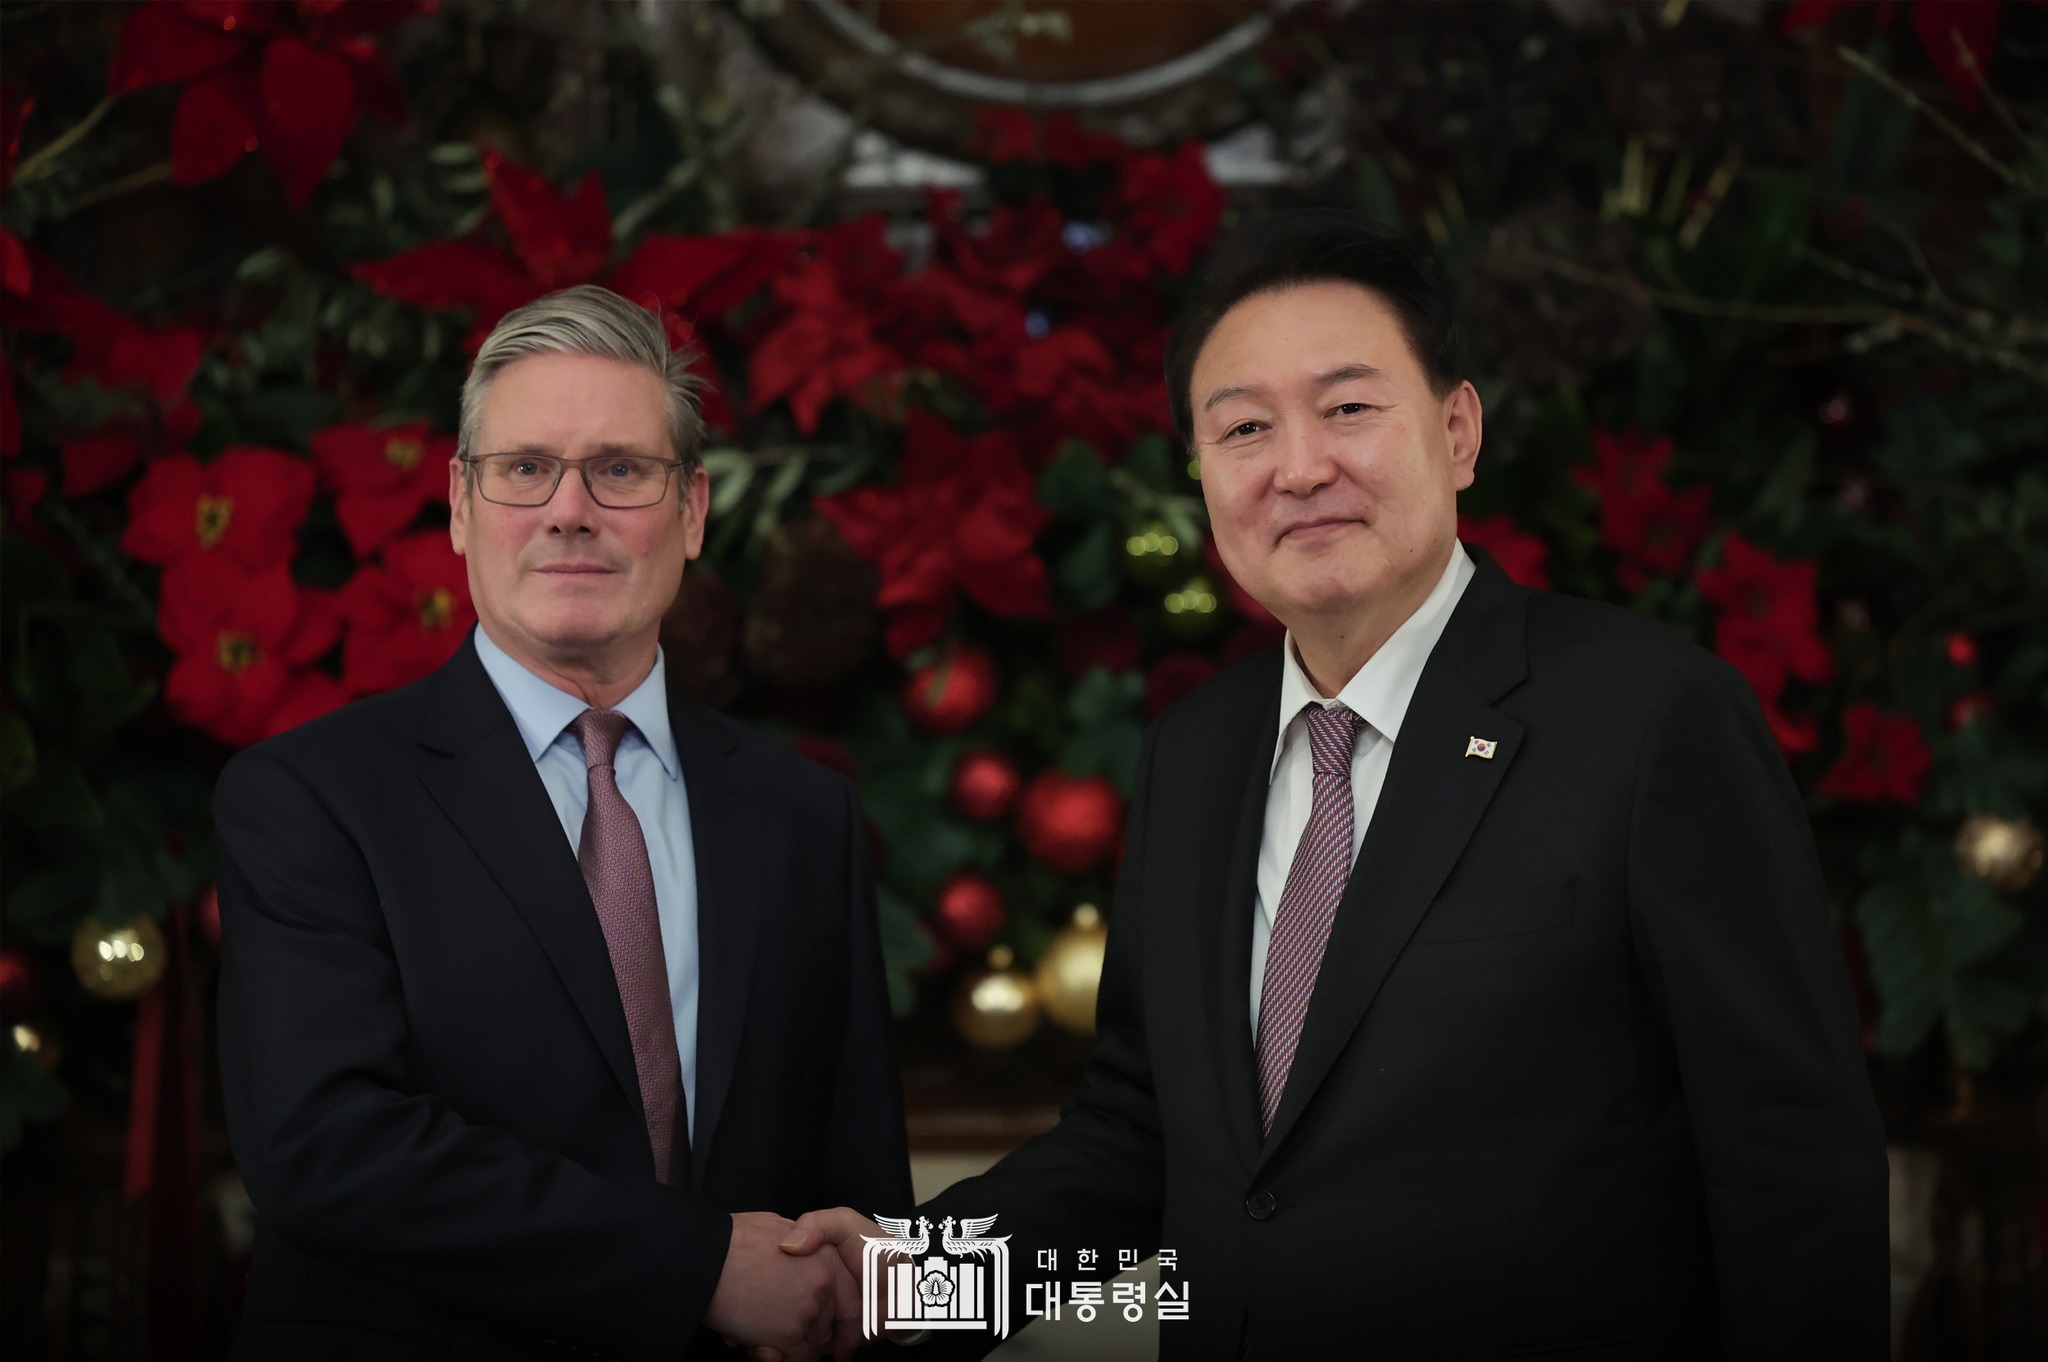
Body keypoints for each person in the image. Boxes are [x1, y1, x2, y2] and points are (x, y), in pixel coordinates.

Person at [785, 211, 1889, 1359]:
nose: (1299, 466)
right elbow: (1140, 1138)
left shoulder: (1648, 715)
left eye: (1349, 408)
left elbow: (1788, 1154)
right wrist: (896, 1292)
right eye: (1244, 427)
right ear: (1201, 476)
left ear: (1456, 431)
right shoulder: (1192, 755)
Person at [215, 285, 908, 1362]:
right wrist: (694, 1266)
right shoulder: (309, 799)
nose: (569, 509)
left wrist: (908, 1295)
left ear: (691, 511)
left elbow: (859, 1192)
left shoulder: (803, 813)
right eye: (524, 469)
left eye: (620, 471)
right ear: (457, 505)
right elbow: (326, 1150)